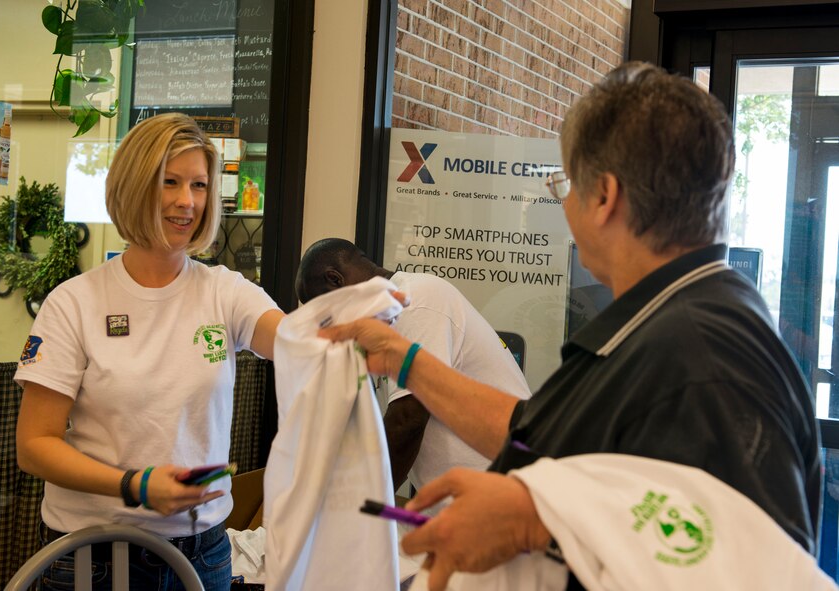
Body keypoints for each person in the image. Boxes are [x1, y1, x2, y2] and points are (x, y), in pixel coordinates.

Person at [320, 62, 820, 590]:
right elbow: (541, 433)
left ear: (603, 197)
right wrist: (408, 362)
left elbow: (749, 566)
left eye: (565, 185)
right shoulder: (663, 321)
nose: (565, 207)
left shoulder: (706, 359)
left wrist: (534, 521)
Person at [15, 112, 284, 590]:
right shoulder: (74, 304)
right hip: (96, 555)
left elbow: (291, 341)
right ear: (135, 186)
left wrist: (348, 333)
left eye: (199, 185)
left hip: (205, 551)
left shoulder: (224, 292)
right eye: (170, 182)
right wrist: (133, 486)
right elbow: (35, 446)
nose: (187, 202)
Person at [295, 238, 532, 491]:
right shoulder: (384, 321)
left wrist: (362, 505)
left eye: (324, 314)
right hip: (467, 501)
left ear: (335, 280)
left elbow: (407, 420)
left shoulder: (414, 301)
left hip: (503, 494)